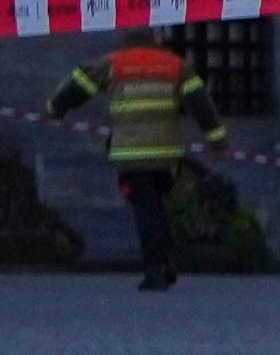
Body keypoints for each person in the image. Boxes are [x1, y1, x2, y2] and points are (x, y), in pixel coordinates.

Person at [46, 36, 227, 292]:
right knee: (159, 207)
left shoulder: (115, 63)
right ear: (157, 42)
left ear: (128, 43)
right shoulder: (174, 65)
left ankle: (155, 269)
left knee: (145, 210)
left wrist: (55, 109)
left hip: (131, 153)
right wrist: (217, 139)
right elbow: (201, 103)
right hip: (167, 154)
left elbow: (79, 84)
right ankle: (166, 261)